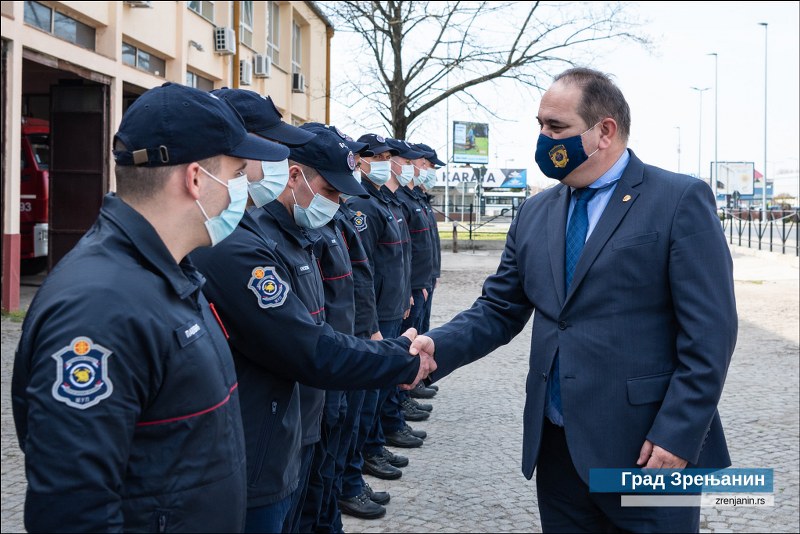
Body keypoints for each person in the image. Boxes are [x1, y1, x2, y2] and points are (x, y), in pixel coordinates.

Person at [410, 67, 737, 533]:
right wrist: (436, 346)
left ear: (604, 131)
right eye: (540, 125)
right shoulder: (535, 211)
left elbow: (711, 333)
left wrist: (678, 435)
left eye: (556, 127)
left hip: (647, 450)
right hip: (558, 446)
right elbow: (500, 308)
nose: (543, 137)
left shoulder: (678, 199)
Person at [10, 82, 289, 532]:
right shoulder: (98, 307)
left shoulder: (168, 272)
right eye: (238, 173)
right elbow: (73, 511)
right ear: (196, 178)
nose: (245, 188)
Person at [189, 104, 435, 533]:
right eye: (254, 155)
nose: (267, 162)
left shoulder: (284, 231)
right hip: (264, 434)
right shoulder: (236, 245)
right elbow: (304, 343)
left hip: (297, 415)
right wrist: (399, 357)